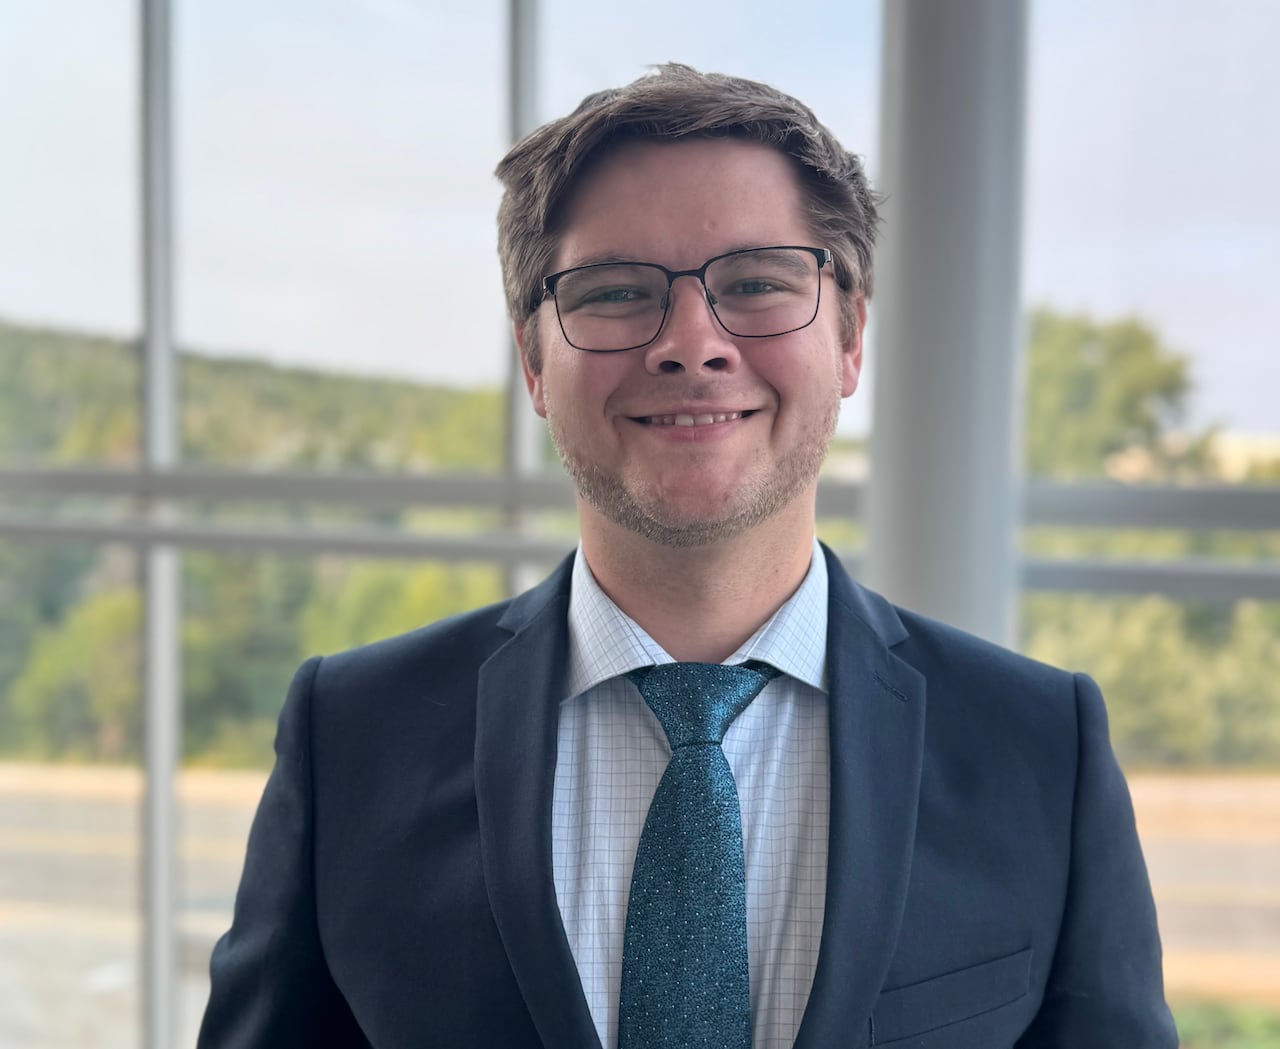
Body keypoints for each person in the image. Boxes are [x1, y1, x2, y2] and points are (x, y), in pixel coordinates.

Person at [198, 64, 1177, 1049]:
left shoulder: (1039, 747)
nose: (690, 342)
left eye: (755, 283)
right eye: (616, 291)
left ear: (848, 337)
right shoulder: (354, 736)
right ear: (534, 362)